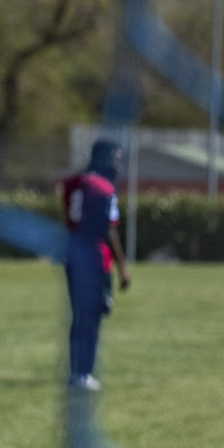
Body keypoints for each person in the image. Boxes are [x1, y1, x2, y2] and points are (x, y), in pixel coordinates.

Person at [61, 138, 132, 390]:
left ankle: (75, 371)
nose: (118, 163)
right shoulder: (104, 188)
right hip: (95, 260)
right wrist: (122, 266)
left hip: (72, 257)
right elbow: (108, 230)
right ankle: (84, 373)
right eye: (116, 157)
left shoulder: (72, 183)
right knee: (91, 319)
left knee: (79, 316)